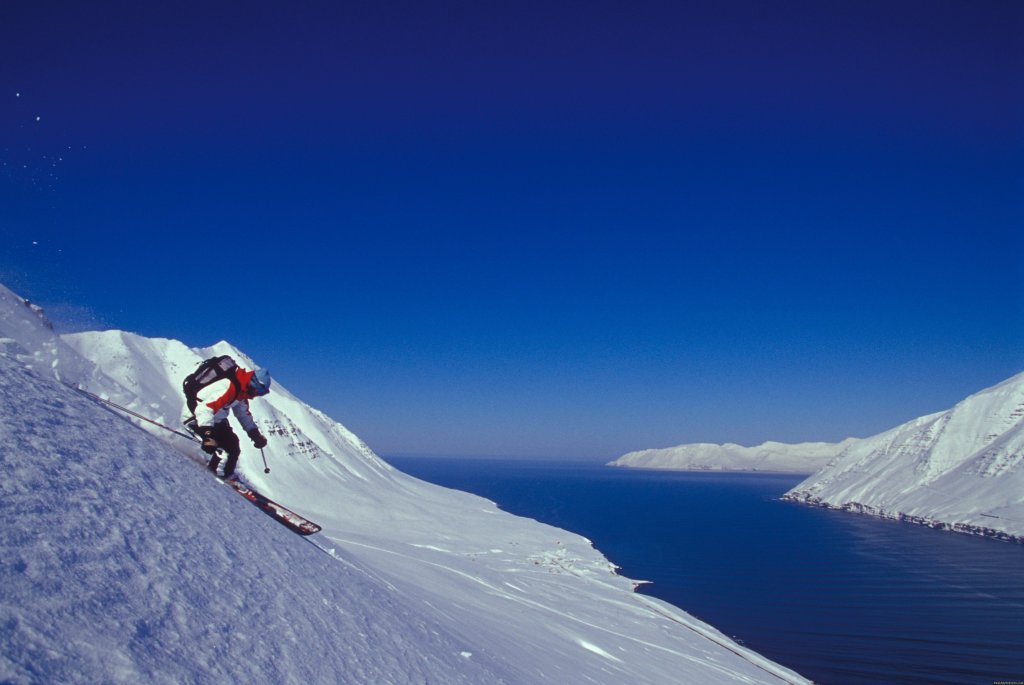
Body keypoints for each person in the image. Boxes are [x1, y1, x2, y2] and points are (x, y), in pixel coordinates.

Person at [186, 364, 272, 479]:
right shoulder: (229, 386)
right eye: (260, 391)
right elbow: (204, 409)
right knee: (224, 450)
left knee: (233, 446)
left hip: (215, 420)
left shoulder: (242, 392)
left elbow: (244, 415)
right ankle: (219, 478)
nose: (257, 395)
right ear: (254, 383)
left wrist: (255, 434)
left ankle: (224, 474)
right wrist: (208, 435)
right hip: (196, 419)